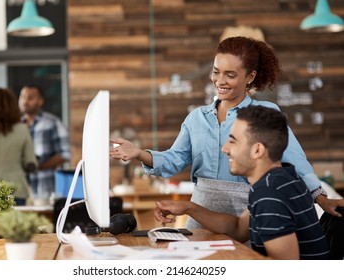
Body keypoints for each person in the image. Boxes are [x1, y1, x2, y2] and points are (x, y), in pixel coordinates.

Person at [110, 36, 344, 228]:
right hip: (200, 214)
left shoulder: (265, 114)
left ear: (250, 77)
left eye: (230, 75)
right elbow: (174, 160)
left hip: (246, 214)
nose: (219, 81)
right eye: (216, 72)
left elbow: (296, 162)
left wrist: (321, 199)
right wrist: (138, 153)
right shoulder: (196, 118)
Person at [154, 105, 330, 260]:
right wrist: (188, 207)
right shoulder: (283, 178)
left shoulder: (270, 194)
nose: (225, 148)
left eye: (232, 140)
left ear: (257, 150)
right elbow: (238, 228)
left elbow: (285, 270)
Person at [19, 84, 71, 204]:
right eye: (22, 97)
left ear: (40, 101)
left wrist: (37, 167)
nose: (25, 101)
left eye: (30, 98)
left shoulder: (52, 123)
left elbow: (65, 155)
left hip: (46, 190)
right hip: (21, 192)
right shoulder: (16, 126)